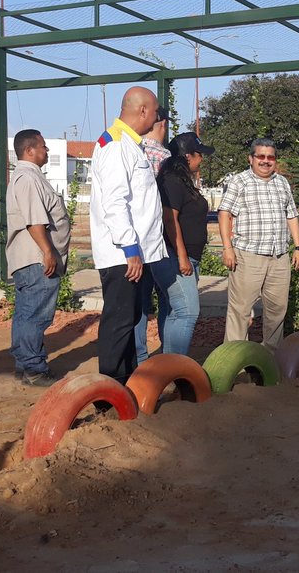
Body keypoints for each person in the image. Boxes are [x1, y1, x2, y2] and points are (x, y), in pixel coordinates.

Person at [90, 87, 168, 383]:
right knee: (119, 322)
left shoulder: (130, 145)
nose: (158, 117)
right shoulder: (115, 145)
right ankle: (109, 390)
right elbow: (114, 202)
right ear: (144, 111)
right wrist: (130, 249)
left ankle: (128, 383)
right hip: (123, 254)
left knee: (131, 319)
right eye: (157, 111)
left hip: (135, 253)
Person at [218, 138, 299, 351]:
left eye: (270, 157)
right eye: (261, 157)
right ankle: (234, 359)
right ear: (251, 158)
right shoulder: (239, 181)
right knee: (240, 310)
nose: (266, 161)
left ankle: (270, 359)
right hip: (248, 256)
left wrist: (298, 247)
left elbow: (291, 216)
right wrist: (227, 248)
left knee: (277, 310)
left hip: (279, 257)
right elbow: (225, 213)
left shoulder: (281, 182)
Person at [5, 129, 71, 386]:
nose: (47, 151)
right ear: (30, 150)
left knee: (25, 313)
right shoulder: (28, 179)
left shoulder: (26, 177)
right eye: (43, 147)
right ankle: (33, 368)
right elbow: (35, 222)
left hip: (30, 258)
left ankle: (25, 366)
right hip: (36, 259)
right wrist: (48, 252)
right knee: (36, 315)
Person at [146, 131, 215, 355]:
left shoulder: (181, 181)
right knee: (187, 312)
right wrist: (182, 257)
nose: (201, 159)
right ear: (187, 156)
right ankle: (175, 367)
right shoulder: (172, 181)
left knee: (172, 309)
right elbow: (169, 218)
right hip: (174, 257)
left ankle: (168, 364)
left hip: (183, 257)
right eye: (199, 154)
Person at [133, 107, 171, 363]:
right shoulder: (165, 156)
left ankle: (139, 356)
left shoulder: (132, 150)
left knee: (138, 302)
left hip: (134, 240)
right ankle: (168, 357)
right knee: (168, 298)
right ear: (163, 124)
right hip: (160, 240)